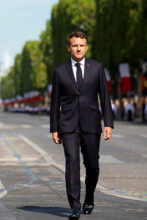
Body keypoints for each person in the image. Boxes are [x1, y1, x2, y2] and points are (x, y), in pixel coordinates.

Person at [50, 31, 113, 219]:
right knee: (72, 165)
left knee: (92, 165)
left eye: (81, 45)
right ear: (69, 47)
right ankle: (75, 206)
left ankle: (90, 196)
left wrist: (108, 123)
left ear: (86, 47)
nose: (78, 48)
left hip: (92, 123)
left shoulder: (98, 68)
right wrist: (54, 127)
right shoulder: (60, 71)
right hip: (67, 125)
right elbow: (54, 103)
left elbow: (105, 96)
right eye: (75, 45)